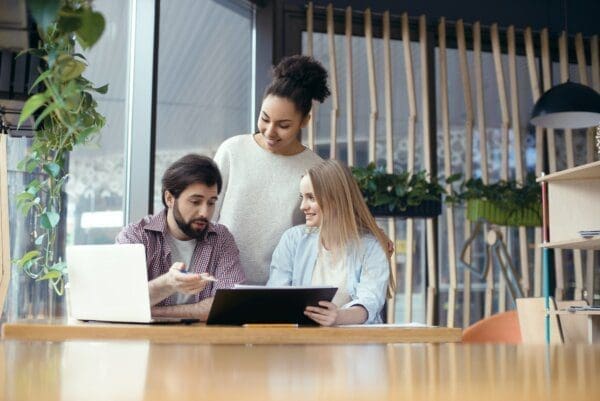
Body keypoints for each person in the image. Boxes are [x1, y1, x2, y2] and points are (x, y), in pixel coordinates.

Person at [213, 55, 330, 285]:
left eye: (284, 125)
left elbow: (322, 228)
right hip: (221, 283)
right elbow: (208, 215)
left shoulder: (315, 168)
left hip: (281, 288)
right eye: (264, 119)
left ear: (304, 121)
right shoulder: (232, 151)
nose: (270, 131)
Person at [116, 154, 245, 320]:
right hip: (144, 341)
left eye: (211, 202)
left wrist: (153, 312)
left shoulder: (221, 238)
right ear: (169, 199)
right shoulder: (135, 236)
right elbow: (121, 300)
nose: (205, 213)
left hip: (202, 342)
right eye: (195, 202)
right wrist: (168, 283)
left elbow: (229, 304)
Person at [267, 160, 391, 326]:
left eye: (311, 198)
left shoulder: (372, 248)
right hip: (301, 345)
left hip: (356, 346)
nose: (303, 206)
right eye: (302, 197)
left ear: (336, 199)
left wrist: (338, 317)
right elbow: (276, 297)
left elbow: (369, 302)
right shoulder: (292, 240)